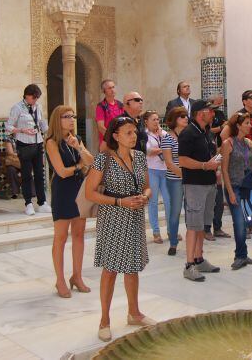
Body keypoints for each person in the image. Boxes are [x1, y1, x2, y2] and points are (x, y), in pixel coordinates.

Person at [84, 116, 155, 342]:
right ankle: (104, 320)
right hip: (113, 216)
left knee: (132, 267)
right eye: (128, 133)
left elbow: (147, 188)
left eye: (134, 132)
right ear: (115, 136)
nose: (133, 136)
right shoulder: (103, 159)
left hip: (134, 216)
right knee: (111, 269)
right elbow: (90, 193)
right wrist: (120, 202)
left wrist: (144, 197)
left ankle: (134, 313)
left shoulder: (140, 157)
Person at [45, 105, 95, 297]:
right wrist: (79, 165)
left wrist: (78, 147)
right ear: (58, 120)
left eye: (73, 116)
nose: (72, 119)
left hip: (78, 189)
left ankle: (77, 276)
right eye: (67, 116)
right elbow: (62, 172)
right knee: (60, 236)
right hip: (63, 191)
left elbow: (90, 160)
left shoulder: (77, 139)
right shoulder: (51, 142)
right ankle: (60, 280)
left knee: (79, 234)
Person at [178, 100, 222, 281]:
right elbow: (182, 160)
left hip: (209, 183)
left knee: (204, 225)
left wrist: (215, 167)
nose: (213, 113)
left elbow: (209, 155)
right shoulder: (188, 133)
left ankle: (199, 258)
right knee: (193, 225)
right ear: (199, 113)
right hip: (195, 185)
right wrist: (205, 165)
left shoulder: (206, 132)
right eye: (209, 110)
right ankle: (189, 265)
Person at [220, 111, 252, 270]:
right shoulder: (228, 143)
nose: (250, 125)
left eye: (250, 123)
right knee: (239, 222)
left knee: (246, 220)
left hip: (247, 186)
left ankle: (243, 253)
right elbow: (224, 170)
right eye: (247, 123)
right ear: (238, 125)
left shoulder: (248, 143)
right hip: (234, 186)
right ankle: (240, 255)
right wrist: (230, 191)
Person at [6, 84, 50, 216]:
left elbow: (41, 122)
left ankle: (42, 203)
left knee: (39, 174)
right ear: (27, 95)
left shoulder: (38, 107)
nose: (35, 100)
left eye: (37, 98)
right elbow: (8, 126)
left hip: (38, 143)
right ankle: (28, 204)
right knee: (26, 175)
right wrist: (21, 130)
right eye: (34, 98)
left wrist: (48, 131)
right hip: (24, 144)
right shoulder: (17, 107)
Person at [162, 106, 188, 255]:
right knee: (175, 212)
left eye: (186, 116)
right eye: (182, 116)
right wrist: (185, 175)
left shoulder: (188, 135)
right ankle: (173, 243)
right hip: (175, 180)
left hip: (189, 179)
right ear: (174, 120)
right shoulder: (168, 138)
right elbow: (169, 163)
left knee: (191, 211)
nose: (185, 118)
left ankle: (193, 243)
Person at [205, 94, 230, 240]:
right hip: (204, 174)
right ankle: (206, 229)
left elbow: (216, 153)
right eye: (211, 112)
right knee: (209, 204)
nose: (214, 115)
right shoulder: (197, 134)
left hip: (214, 171)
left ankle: (218, 227)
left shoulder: (210, 135)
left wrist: (218, 166)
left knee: (219, 202)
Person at [144, 110, 169, 244]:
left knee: (168, 201)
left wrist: (162, 139)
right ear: (146, 121)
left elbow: (172, 148)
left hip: (165, 170)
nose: (156, 122)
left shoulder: (163, 134)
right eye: (153, 119)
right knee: (153, 201)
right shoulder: (145, 135)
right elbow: (148, 151)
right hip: (152, 170)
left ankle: (171, 229)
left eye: (158, 119)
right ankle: (156, 231)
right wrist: (163, 149)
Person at [95, 79, 124, 147]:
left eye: (113, 87)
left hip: (120, 143)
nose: (112, 90)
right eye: (109, 88)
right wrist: (112, 138)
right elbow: (101, 127)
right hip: (107, 143)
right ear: (103, 91)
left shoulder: (120, 105)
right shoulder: (101, 106)